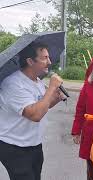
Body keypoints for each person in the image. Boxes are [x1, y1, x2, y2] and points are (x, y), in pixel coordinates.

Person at [0, 42, 64, 180]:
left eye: (49, 57)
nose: (49, 62)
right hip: (15, 147)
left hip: (33, 144)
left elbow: (42, 106)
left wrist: (56, 98)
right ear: (30, 61)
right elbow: (35, 115)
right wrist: (52, 88)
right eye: (45, 58)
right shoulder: (13, 84)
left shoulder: (37, 81)